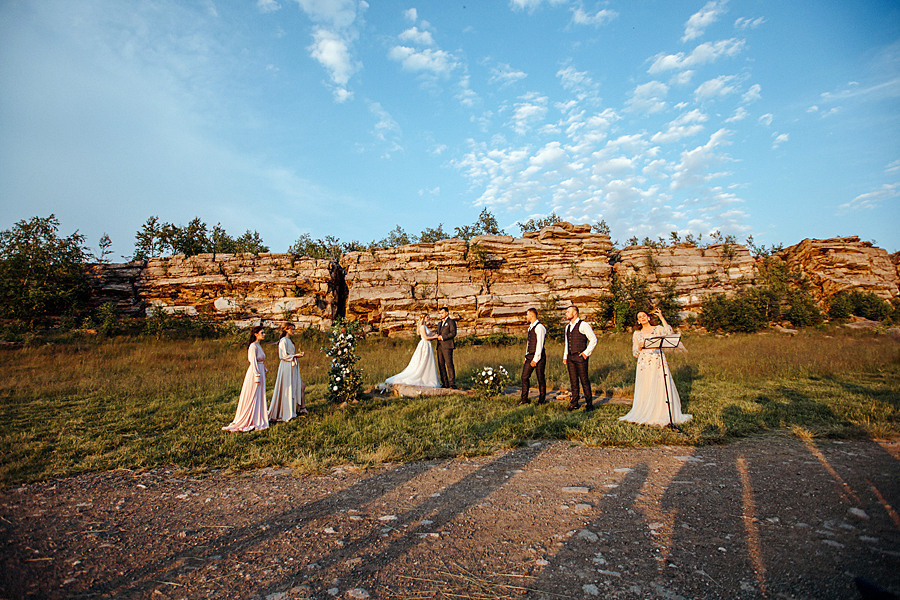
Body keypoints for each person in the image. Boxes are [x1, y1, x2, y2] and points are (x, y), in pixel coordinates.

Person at [619, 308, 692, 426]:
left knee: (661, 384)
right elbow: (635, 352)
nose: (642, 318)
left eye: (644, 315)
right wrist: (639, 347)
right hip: (644, 363)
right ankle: (645, 411)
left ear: (648, 317)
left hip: (657, 360)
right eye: (639, 317)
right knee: (647, 385)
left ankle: (662, 412)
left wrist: (662, 318)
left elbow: (668, 333)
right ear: (638, 321)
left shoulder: (657, 329)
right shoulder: (637, 334)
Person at [223, 325, 269, 432]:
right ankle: (248, 418)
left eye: (263, 332)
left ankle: (257, 416)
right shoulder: (253, 346)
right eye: (262, 333)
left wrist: (263, 369)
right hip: (254, 373)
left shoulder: (258, 346)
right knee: (252, 394)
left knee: (258, 395)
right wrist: (257, 375)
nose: (264, 334)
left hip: (260, 371)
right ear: (255, 334)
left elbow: (260, 360)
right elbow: (253, 361)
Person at [384, 313, 441, 387]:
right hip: (424, 345)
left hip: (428, 345)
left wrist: (433, 337)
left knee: (427, 361)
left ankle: (426, 378)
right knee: (423, 360)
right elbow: (425, 337)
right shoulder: (422, 327)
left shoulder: (425, 326)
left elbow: (428, 337)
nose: (429, 318)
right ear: (423, 318)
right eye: (427, 317)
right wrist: (435, 337)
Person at [268, 324, 307, 422]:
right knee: (288, 387)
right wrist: (294, 356)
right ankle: (287, 411)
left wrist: (296, 356)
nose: (293, 331)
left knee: (298, 386)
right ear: (286, 330)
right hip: (286, 366)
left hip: (292, 366)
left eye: (294, 329)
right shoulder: (283, 341)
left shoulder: (290, 341)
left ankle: (299, 408)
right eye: (291, 329)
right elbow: (282, 355)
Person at [562, 305, 597, 411]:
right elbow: (567, 343)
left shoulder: (583, 325)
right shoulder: (567, 327)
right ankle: (574, 403)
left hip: (580, 356)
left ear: (575, 313)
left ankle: (589, 404)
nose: (566, 314)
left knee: (584, 380)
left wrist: (586, 353)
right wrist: (565, 356)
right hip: (570, 357)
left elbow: (593, 340)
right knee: (573, 381)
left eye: (568, 312)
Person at [519, 308, 547, 405]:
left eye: (527, 315)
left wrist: (536, 359)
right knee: (524, 377)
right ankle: (524, 400)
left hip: (539, 357)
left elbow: (540, 344)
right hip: (529, 356)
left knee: (540, 378)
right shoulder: (530, 327)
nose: (526, 317)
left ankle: (541, 400)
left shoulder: (540, 328)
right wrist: (526, 357)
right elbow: (529, 343)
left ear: (532, 315)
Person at [435, 306, 457, 388]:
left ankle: (452, 383)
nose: (441, 314)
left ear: (447, 313)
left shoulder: (451, 322)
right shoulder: (439, 323)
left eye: (442, 313)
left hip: (447, 346)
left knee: (449, 364)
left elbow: (453, 333)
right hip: (439, 347)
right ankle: (445, 383)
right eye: (440, 313)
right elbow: (438, 333)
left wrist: (443, 337)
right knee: (441, 365)